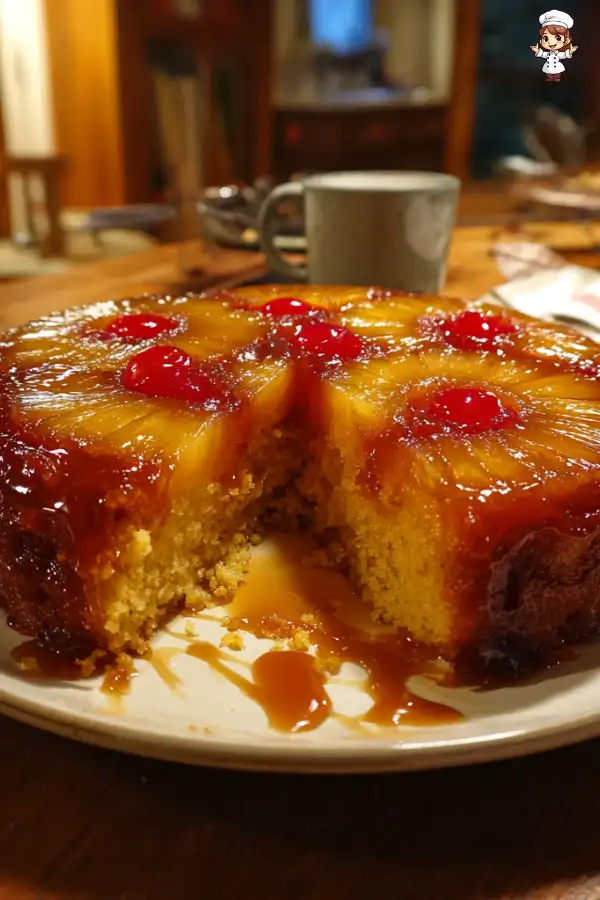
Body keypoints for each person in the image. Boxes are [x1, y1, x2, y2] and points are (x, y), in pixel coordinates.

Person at [530, 9, 578, 82]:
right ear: (541, 41)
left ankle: (556, 78)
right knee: (548, 73)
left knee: (557, 73)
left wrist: (569, 52)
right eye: (546, 38)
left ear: (566, 41)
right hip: (548, 67)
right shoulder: (548, 53)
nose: (551, 42)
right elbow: (543, 54)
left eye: (558, 38)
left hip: (556, 67)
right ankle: (550, 78)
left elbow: (564, 55)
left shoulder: (558, 54)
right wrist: (538, 51)